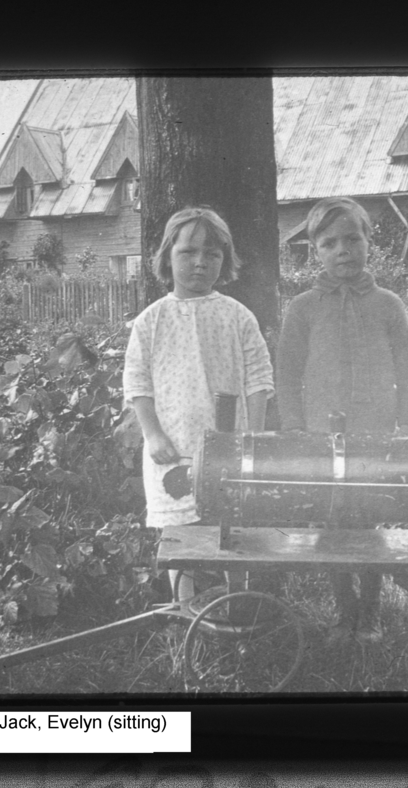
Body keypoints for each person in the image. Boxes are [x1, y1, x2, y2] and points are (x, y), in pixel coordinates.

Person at [276, 196, 408, 645]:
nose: (343, 250)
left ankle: (372, 613)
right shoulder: (302, 308)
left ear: (368, 242)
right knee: (331, 520)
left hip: (375, 433)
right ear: (315, 250)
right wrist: (295, 426)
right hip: (322, 435)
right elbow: (288, 372)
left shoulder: (388, 304)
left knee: (371, 519)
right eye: (330, 243)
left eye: (353, 239)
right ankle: (345, 611)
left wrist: (407, 422)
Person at [123, 207, 273, 599]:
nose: (200, 262)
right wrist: (153, 434)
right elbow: (137, 383)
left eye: (212, 253)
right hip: (173, 445)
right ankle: (184, 607)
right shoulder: (150, 321)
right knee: (180, 534)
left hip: (229, 443)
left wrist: (253, 435)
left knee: (232, 526)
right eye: (188, 252)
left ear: (224, 261)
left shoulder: (238, 316)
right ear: (167, 257)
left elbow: (259, 379)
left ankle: (237, 599)